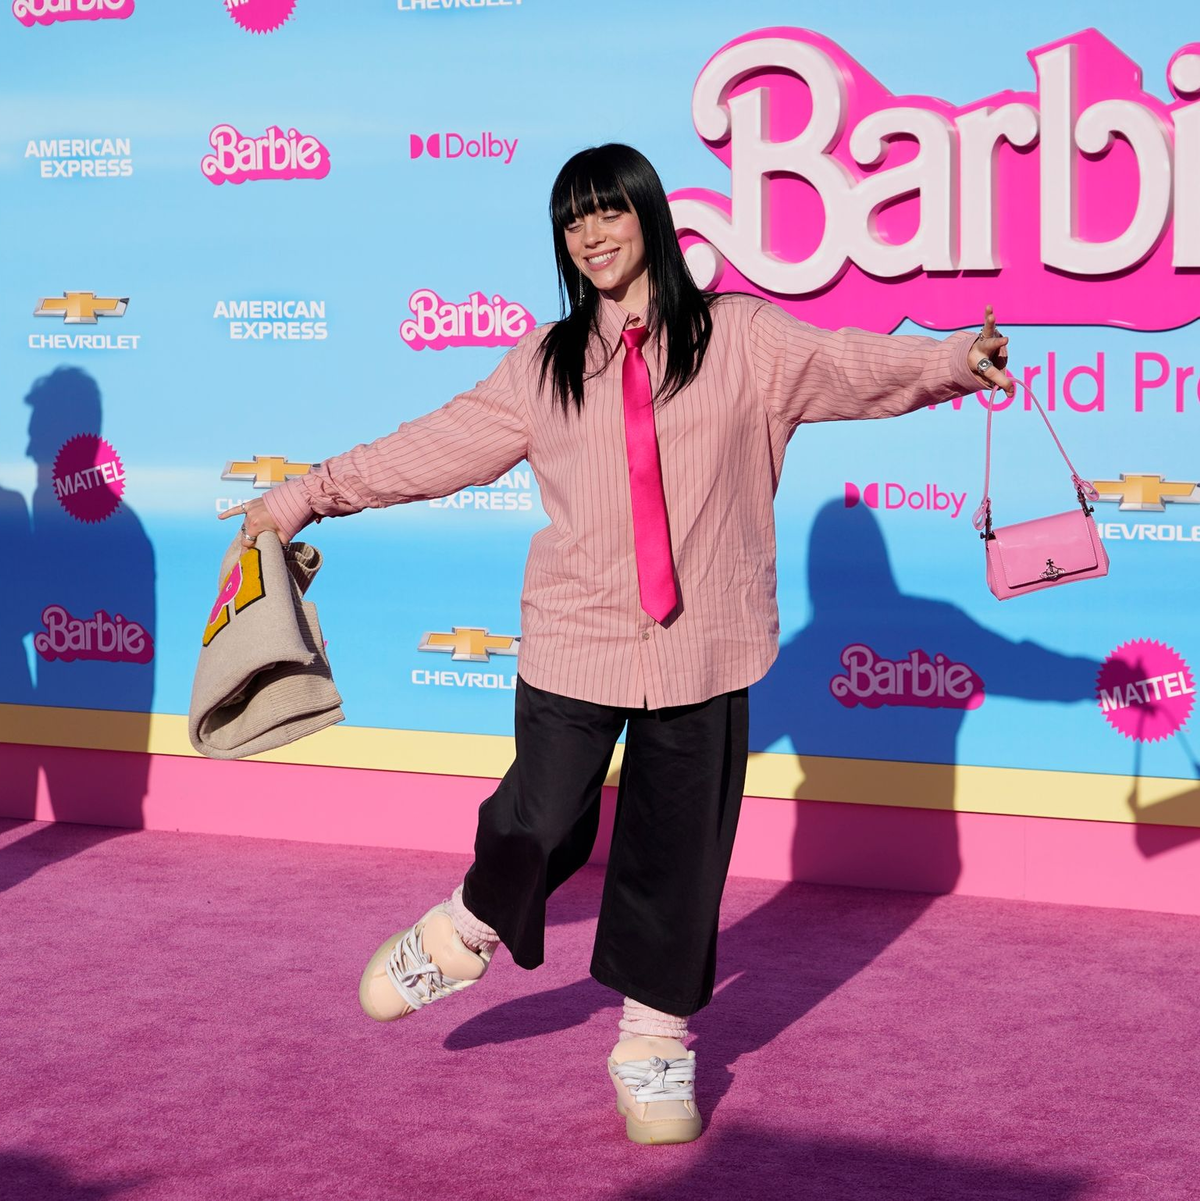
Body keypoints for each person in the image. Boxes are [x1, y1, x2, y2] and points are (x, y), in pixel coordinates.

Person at [220, 143, 1012, 1146]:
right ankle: (468, 924)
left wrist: (951, 361)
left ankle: (652, 1039)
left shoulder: (744, 338)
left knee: (675, 853)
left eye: (608, 212)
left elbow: (852, 365)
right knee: (545, 820)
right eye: (571, 220)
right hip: (578, 635)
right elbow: (429, 447)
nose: (591, 234)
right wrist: (301, 495)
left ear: (650, 217)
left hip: (708, 642)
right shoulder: (544, 365)